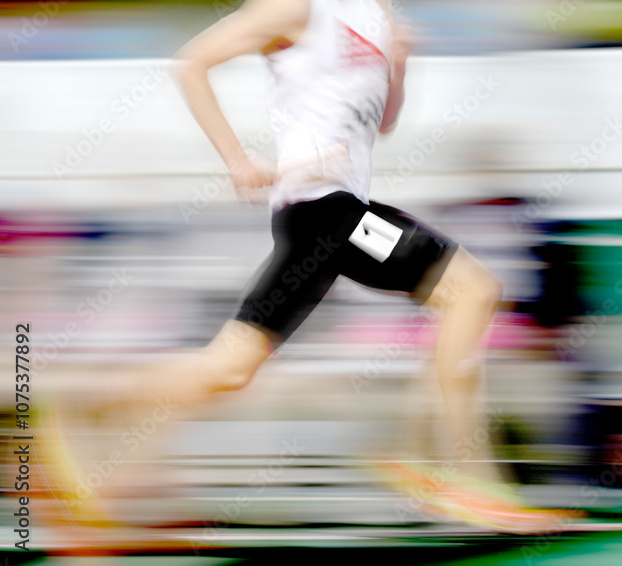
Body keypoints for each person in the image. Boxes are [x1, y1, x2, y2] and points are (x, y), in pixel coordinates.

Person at [41, 0, 571, 535]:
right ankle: (457, 470)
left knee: (230, 368)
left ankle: (87, 402)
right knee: (473, 291)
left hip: (334, 217)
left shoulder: (374, 14)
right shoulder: (293, 7)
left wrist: (399, 63)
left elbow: (381, 124)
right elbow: (191, 63)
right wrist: (239, 163)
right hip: (330, 213)